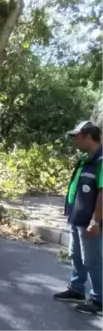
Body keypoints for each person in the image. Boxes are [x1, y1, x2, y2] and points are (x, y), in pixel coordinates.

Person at [54, 120, 103, 315]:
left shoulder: (101, 161)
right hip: (77, 217)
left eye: (78, 137)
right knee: (76, 255)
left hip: (91, 221)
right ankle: (77, 289)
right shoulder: (86, 159)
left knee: (93, 260)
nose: (75, 140)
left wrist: (95, 221)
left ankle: (99, 299)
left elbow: (102, 192)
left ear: (89, 137)